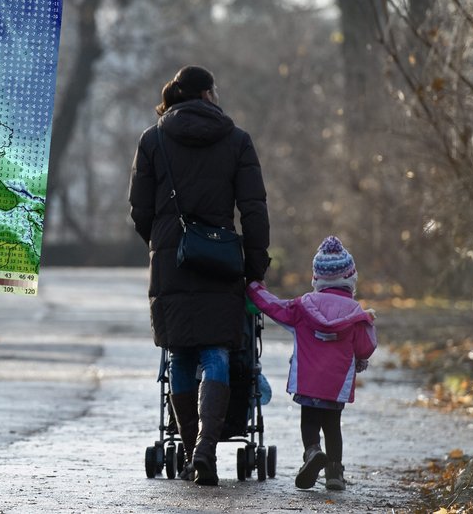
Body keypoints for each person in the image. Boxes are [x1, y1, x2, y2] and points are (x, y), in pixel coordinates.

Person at [129, 65, 270, 486]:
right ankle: (206, 450)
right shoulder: (237, 140)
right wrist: (254, 265)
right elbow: (254, 208)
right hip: (222, 260)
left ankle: (194, 454)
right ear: (208, 94)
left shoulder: (152, 139)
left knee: (181, 353)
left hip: (172, 259)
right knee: (217, 352)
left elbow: (139, 210)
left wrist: (162, 243)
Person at [246, 236, 377, 491]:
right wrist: (366, 327)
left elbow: (273, 306)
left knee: (309, 422)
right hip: (336, 384)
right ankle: (334, 473)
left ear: (317, 279)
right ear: (350, 280)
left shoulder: (303, 306)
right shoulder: (355, 313)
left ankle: (312, 451)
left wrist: (253, 287)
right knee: (332, 426)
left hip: (307, 381)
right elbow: (365, 348)